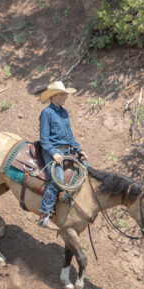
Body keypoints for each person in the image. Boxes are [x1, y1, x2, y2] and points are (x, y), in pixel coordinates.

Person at [37, 80, 88, 227]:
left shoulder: (64, 112)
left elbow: (70, 137)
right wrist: (54, 154)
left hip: (67, 150)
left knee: (86, 168)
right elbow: (44, 139)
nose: (65, 97)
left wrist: (79, 149)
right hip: (52, 151)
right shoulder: (47, 113)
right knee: (57, 180)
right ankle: (44, 215)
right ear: (52, 97)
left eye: (65, 94)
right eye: (61, 95)